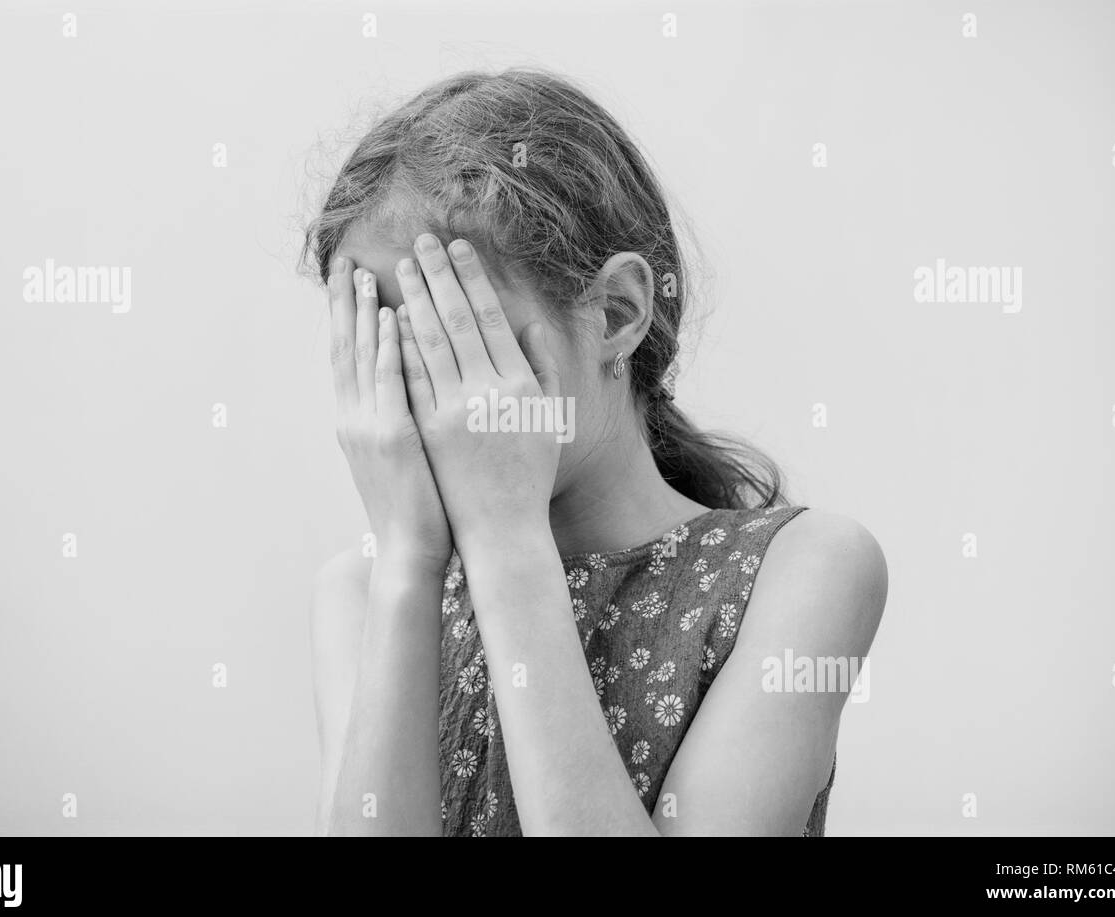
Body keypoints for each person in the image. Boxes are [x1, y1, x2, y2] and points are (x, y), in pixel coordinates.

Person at [305, 69, 887, 836]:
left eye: (457, 343)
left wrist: (507, 537)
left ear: (617, 312)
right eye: (381, 352)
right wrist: (411, 559)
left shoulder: (807, 569)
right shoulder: (364, 591)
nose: (420, 403)